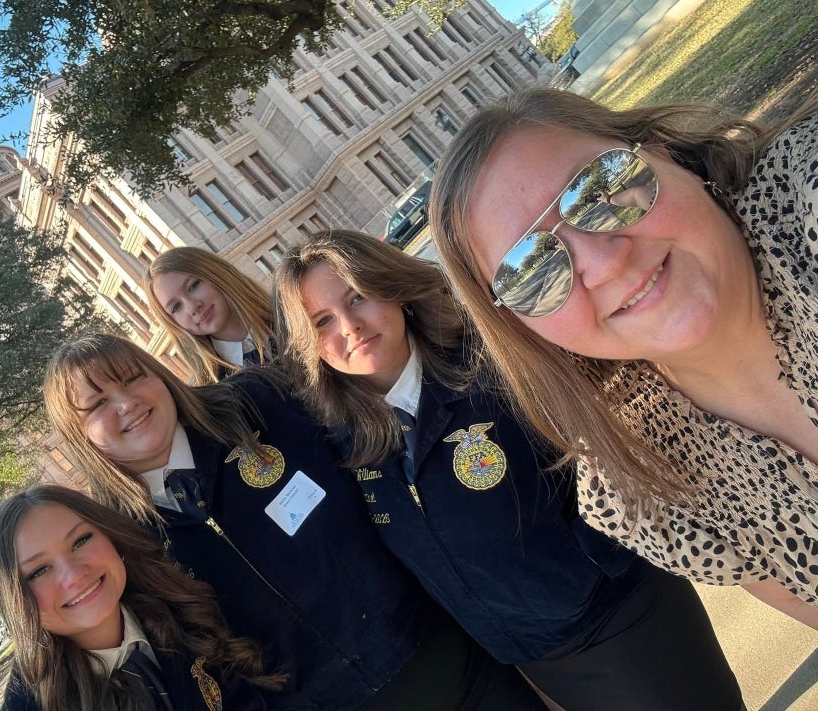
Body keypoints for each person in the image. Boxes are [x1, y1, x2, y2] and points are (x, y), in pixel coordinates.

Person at [272, 229, 744, 711]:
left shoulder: (491, 362)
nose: (349, 326)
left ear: (391, 288)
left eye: (358, 297)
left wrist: (589, 565)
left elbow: (600, 448)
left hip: (618, 613)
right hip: (529, 657)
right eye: (323, 321)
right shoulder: (343, 444)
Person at [429, 85, 818, 630]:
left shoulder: (806, 201)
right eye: (532, 272)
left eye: (602, 188)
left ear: (659, 152)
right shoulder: (636, 488)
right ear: (520, 326)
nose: (603, 264)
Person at [42, 332, 549, 711]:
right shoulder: (118, 541)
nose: (128, 403)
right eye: (98, 403)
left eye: (134, 378)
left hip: (444, 658)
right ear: (79, 431)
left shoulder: (260, 404)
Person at [0, 484, 282, 711]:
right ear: (15, 601)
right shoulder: (31, 703)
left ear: (111, 537)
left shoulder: (187, 604)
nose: (73, 575)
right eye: (38, 571)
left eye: (81, 541)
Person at [146, 247, 276, 384]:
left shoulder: (293, 314)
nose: (192, 307)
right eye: (176, 307)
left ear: (215, 272)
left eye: (193, 286)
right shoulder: (207, 394)